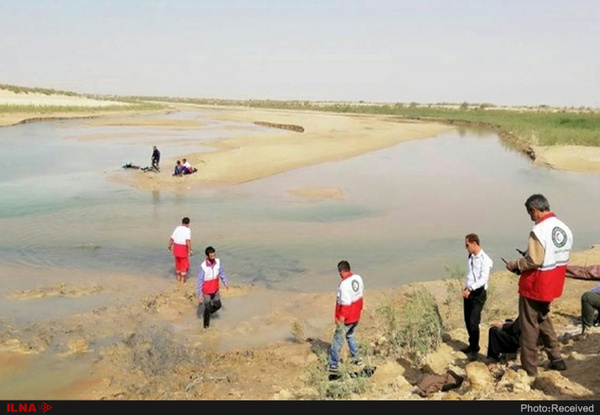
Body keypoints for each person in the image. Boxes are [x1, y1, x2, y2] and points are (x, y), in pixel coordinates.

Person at [505, 193, 573, 376]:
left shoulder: (539, 230)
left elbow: (534, 259)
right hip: (553, 283)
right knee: (543, 319)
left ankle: (530, 368)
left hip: (535, 285)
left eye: (530, 213)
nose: (531, 217)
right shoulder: (564, 228)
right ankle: (556, 358)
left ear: (534, 210)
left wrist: (516, 264)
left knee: (529, 326)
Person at [328, 260, 364, 379]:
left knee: (337, 341)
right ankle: (357, 359)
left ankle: (333, 364)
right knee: (350, 336)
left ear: (341, 271)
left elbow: (345, 304)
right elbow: (360, 295)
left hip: (347, 319)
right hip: (356, 316)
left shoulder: (343, 285)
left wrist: (340, 319)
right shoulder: (358, 278)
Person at [461, 233, 493, 361]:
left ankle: (475, 350)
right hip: (468, 292)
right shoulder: (470, 256)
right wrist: (465, 287)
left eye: (467, 245)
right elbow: (470, 274)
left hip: (478, 293)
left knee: (474, 321)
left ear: (474, 244)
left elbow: (483, 279)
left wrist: (470, 288)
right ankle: (472, 344)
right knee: (468, 320)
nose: (466, 247)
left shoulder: (486, 260)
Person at [197, 246, 229, 329]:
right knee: (207, 308)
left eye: (214, 255)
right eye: (211, 256)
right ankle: (206, 327)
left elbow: (222, 273)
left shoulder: (218, 262)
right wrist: (200, 295)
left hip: (215, 290)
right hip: (206, 291)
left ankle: (208, 314)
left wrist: (225, 282)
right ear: (207, 256)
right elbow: (200, 281)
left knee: (218, 305)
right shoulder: (203, 266)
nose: (213, 257)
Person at [168, 217, 193, 283]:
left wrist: (169, 246)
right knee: (184, 264)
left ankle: (178, 278)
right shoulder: (188, 230)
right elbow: (187, 241)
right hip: (183, 248)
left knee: (177, 263)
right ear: (188, 223)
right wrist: (190, 250)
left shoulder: (177, 228)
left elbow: (172, 238)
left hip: (176, 247)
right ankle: (182, 280)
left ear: (182, 222)